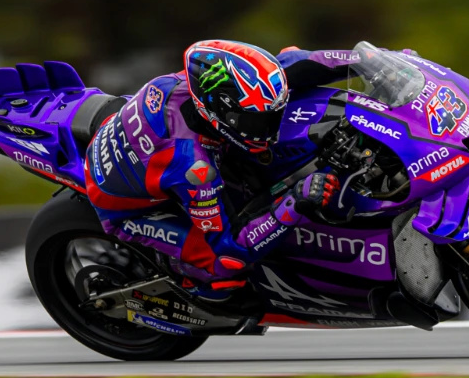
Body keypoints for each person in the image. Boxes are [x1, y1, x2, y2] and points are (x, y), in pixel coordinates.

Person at [83, 39, 340, 300]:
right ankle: (186, 278)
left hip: (141, 148)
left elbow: (295, 64)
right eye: (255, 122)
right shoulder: (194, 166)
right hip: (128, 208)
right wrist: (294, 201)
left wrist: (363, 59)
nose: (268, 130)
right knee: (227, 267)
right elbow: (232, 247)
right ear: (220, 113)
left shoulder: (208, 85)